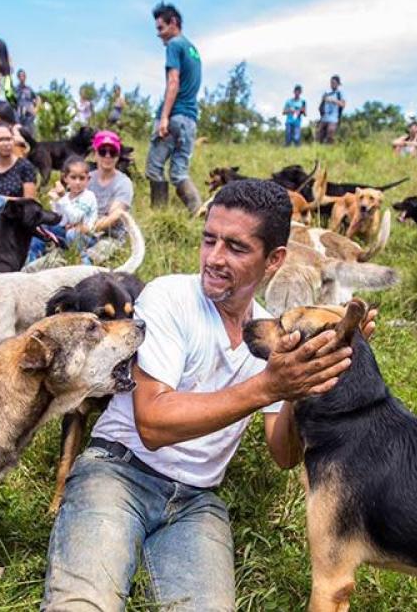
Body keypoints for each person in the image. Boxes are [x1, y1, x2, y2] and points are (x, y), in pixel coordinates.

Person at [41, 179, 374, 610]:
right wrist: (270, 385)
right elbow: (154, 423)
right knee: (83, 604)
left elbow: (284, 454)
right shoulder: (168, 296)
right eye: (209, 240)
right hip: (117, 472)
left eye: (236, 247)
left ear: (273, 260)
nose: (214, 259)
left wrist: (308, 377)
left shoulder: (273, 336)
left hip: (197, 500)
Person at [146, 2, 202, 213]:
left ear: (174, 23)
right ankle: (197, 212)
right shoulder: (192, 49)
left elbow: (173, 82)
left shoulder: (174, 45)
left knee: (154, 168)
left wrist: (164, 118)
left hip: (174, 116)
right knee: (179, 173)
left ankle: (158, 218)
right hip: (190, 120)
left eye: (161, 28)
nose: (159, 34)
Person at [27, 156, 97, 264]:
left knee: (72, 234)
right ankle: (32, 258)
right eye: (73, 178)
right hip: (67, 231)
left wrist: (63, 197)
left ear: (88, 179)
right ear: (65, 178)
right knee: (41, 226)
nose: (77, 182)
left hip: (85, 236)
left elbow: (75, 218)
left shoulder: (88, 196)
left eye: (82, 178)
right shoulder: (67, 196)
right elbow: (62, 221)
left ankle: (85, 263)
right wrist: (55, 202)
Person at [81, 129, 133, 265]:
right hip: (84, 231)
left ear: (118, 156)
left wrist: (89, 228)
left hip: (111, 236)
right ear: (95, 154)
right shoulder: (87, 178)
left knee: (86, 259)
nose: (108, 156)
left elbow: (114, 217)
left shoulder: (124, 183)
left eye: (113, 152)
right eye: (103, 151)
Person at [316, 75, 344, 144]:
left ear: (338, 84)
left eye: (334, 82)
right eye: (331, 82)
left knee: (330, 134)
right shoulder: (326, 93)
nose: (332, 84)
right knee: (318, 137)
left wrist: (333, 100)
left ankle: (331, 150)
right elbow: (320, 107)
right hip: (324, 118)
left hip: (334, 118)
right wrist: (322, 101)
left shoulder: (340, 93)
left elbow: (343, 104)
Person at [15, 68, 39, 134]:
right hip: (19, 116)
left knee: (30, 135)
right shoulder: (15, 89)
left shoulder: (29, 89)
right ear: (18, 77)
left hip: (29, 116)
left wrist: (36, 109)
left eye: (23, 76)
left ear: (25, 77)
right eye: (20, 76)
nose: (22, 77)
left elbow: (37, 98)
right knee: (19, 134)